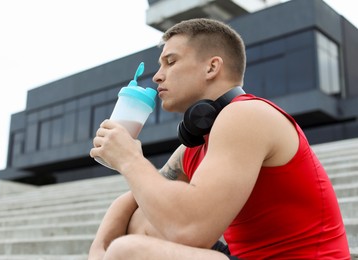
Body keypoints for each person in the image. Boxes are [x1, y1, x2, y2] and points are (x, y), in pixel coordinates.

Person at [89, 18, 350, 259]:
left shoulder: (247, 114)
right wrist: (98, 251)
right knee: (142, 221)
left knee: (128, 251)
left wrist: (129, 158)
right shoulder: (195, 144)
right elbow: (135, 199)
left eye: (170, 61)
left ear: (212, 67)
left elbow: (191, 229)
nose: (158, 76)